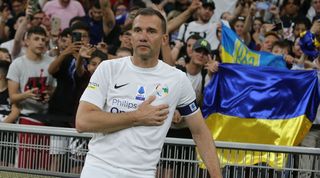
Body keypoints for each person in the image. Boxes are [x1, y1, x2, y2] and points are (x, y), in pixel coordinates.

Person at [76, 7, 222, 178]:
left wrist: (216, 175)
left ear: (164, 38)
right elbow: (83, 121)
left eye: (151, 31)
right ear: (131, 35)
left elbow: (200, 132)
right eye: (138, 30)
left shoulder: (177, 79)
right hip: (98, 170)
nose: (143, 37)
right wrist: (137, 116)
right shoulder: (108, 68)